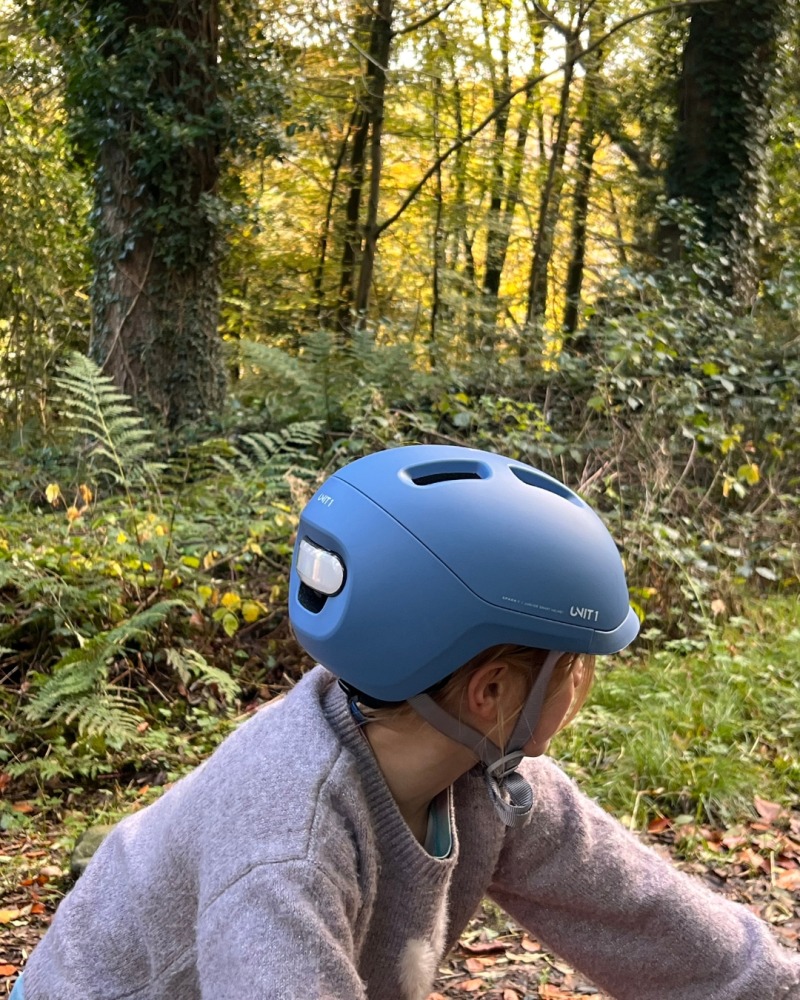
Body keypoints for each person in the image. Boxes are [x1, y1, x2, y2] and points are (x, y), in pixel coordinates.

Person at [13, 445, 800, 1000]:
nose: (587, 682)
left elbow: (666, 934)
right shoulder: (286, 848)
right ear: (492, 693)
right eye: (577, 664)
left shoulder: (488, 778)